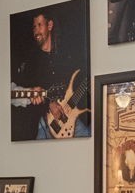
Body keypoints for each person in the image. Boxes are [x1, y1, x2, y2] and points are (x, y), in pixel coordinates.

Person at [10, 8, 89, 139]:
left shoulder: (66, 55)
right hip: (45, 124)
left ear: (50, 26)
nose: (36, 31)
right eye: (34, 27)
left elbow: (77, 81)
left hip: (72, 118)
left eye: (40, 25)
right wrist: (48, 104)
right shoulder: (30, 63)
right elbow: (26, 95)